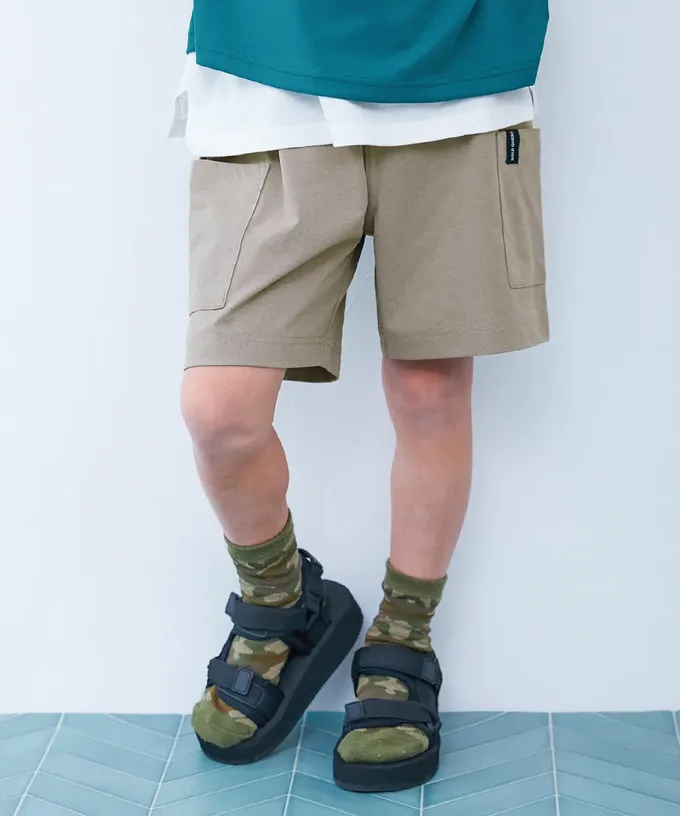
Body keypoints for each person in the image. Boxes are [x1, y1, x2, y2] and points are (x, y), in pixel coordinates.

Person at [170, 0, 550, 793]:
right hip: (265, 78)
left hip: (459, 79)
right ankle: (279, 602)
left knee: (428, 389)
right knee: (220, 410)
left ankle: (404, 636)